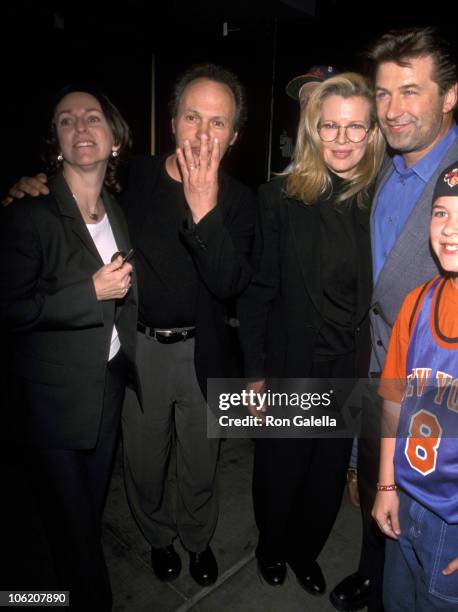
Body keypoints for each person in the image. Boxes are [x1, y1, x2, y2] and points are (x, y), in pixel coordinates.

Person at [4, 63, 256, 587]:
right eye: (192, 117)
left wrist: (204, 205)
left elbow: (230, 282)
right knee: (142, 462)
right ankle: (159, 538)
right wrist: (31, 185)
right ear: (173, 122)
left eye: (217, 122)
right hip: (138, 351)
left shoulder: (241, 200)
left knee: (200, 463)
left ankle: (197, 539)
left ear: (233, 135)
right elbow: (78, 200)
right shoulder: (134, 178)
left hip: (204, 354)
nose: (202, 132)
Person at [238, 73, 385, 594]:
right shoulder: (278, 197)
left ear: (372, 133)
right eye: (330, 127)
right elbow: (257, 292)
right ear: (312, 131)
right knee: (282, 466)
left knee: (325, 473)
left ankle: (304, 551)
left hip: (348, 363)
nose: (343, 140)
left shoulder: (378, 199)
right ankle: (271, 547)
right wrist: (254, 376)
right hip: (290, 362)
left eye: (355, 128)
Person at [330, 27, 458, 612]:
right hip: (375, 367)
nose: (392, 110)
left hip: (437, 396)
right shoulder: (380, 163)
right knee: (380, 490)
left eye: (410, 91)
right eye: (383, 94)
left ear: (450, 95)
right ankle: (372, 572)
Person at [0, 85, 138, 611]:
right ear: (56, 141)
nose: (81, 127)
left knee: (83, 515)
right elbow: (10, 309)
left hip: (105, 391)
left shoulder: (115, 211)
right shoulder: (30, 213)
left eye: (93, 118)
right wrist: (90, 293)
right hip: (51, 406)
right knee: (77, 530)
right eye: (66, 120)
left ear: (114, 138)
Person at [372, 162, 458, 611]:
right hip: (406, 496)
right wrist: (386, 484)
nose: (449, 229)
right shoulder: (417, 302)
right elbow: (392, 401)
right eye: (441, 212)